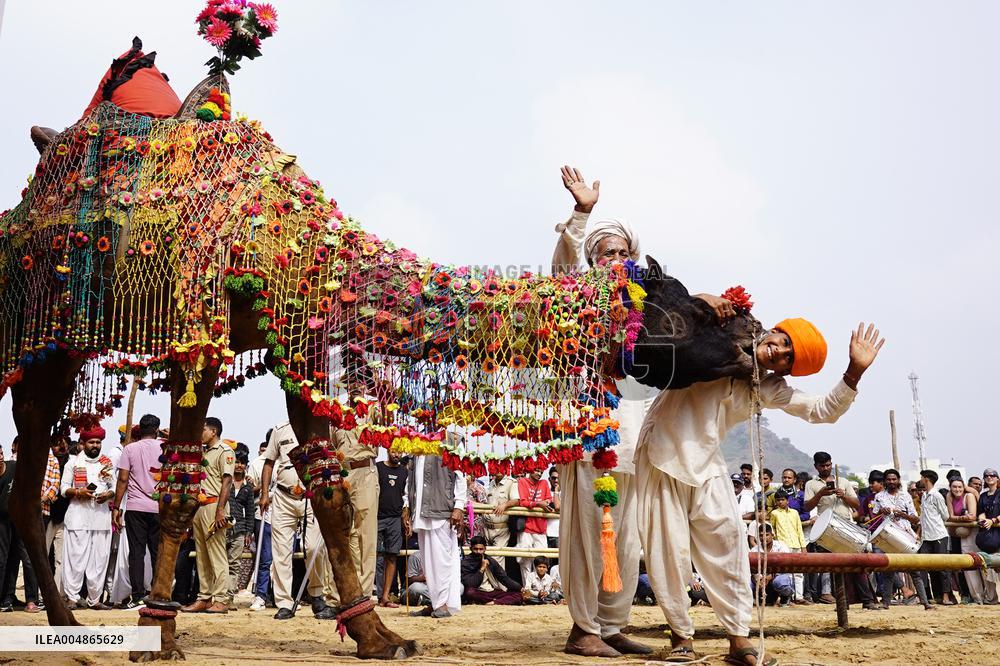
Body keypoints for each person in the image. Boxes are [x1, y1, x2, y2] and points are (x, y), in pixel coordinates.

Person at [636, 319, 884, 665]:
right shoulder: (715, 339)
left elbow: (822, 411)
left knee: (729, 545)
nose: (780, 351)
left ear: (787, 370)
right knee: (668, 551)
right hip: (660, 456)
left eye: (788, 357)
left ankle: (738, 640)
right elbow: (684, 320)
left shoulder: (766, 388)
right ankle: (681, 637)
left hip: (707, 465)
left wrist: (854, 371)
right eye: (781, 341)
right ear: (770, 331)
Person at [552, 167, 662, 657]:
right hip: (591, 434)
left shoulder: (648, 305)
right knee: (591, 537)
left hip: (638, 438)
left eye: (623, 253)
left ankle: (614, 624)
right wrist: (582, 212)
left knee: (629, 539)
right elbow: (561, 268)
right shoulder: (577, 296)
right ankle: (584, 628)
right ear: (593, 259)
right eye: (606, 253)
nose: (616, 260)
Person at [258, 422, 337, 619]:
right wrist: (264, 494)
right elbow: (269, 463)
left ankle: (317, 596)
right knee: (281, 551)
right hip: (284, 497)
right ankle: (284, 602)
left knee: (313, 548)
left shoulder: (319, 426)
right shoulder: (279, 428)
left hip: (312, 497)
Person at [404, 450, 466, 618]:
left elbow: (460, 476)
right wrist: (406, 505)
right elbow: (411, 478)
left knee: (442, 561)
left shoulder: (449, 441)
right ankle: (435, 603)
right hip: (421, 511)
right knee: (428, 562)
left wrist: (459, 506)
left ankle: (444, 605)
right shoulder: (416, 442)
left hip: (442, 510)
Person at [181, 417, 234, 614]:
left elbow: (227, 482)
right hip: (200, 506)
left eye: (203, 429)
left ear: (214, 431)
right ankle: (204, 596)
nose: (200, 433)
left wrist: (221, 510)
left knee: (217, 553)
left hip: (214, 506)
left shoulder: (225, 451)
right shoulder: (202, 452)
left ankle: (221, 598)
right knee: (202, 555)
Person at [60, 427, 115, 610]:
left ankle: (95, 600)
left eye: (98, 442)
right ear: (83, 443)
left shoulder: (106, 463)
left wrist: (108, 495)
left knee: (99, 561)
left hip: (100, 518)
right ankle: (72, 598)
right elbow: (63, 489)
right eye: (92, 442)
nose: (95, 445)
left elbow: (114, 487)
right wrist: (78, 491)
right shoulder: (72, 463)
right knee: (75, 560)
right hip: (78, 517)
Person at [112, 414, 163, 609]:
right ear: (156, 429)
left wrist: (116, 507)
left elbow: (123, 479)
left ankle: (138, 595)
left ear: (139, 430)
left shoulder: (130, 449)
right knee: (157, 551)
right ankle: (157, 591)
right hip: (158, 507)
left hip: (135, 506)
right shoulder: (164, 448)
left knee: (136, 552)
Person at [332, 426, 379, 602]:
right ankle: (336, 595)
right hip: (342, 473)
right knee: (339, 534)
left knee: (366, 536)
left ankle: (364, 594)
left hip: (365, 470)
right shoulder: (336, 410)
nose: (353, 395)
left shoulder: (373, 408)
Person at [915, 470, 957, 607]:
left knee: (942, 567)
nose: (920, 480)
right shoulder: (924, 496)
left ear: (926, 479)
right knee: (926, 565)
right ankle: (934, 595)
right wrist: (919, 531)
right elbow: (922, 517)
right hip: (926, 537)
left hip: (938, 535)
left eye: (922, 478)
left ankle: (946, 596)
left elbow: (945, 515)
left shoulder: (937, 496)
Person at [376, 450, 408, 608]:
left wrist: (405, 514)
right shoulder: (378, 468)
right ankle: (370, 594)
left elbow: (407, 495)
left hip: (395, 519)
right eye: (394, 451)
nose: (397, 454)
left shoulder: (405, 472)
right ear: (388, 451)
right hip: (376, 517)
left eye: (399, 452)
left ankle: (385, 597)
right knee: (374, 557)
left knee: (392, 556)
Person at [947, 476, 985, 604]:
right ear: (950, 488)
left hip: (973, 533)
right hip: (962, 535)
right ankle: (977, 597)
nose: (957, 489)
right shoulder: (949, 496)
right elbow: (950, 516)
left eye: (959, 487)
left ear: (964, 487)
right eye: (954, 487)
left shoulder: (969, 496)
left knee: (980, 563)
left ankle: (989, 597)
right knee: (968, 566)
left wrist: (957, 519)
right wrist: (963, 518)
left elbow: (972, 516)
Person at [225, 452, 254, 606]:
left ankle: (228, 598)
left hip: (240, 530)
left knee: (234, 565)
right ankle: (219, 597)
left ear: (245, 465)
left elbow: (250, 511)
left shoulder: (248, 487)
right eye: (236, 462)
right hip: (223, 528)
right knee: (221, 563)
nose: (239, 465)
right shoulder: (224, 482)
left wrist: (249, 532)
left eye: (242, 462)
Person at [247, 438, 272, 611]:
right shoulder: (257, 463)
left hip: (286, 514)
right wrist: (264, 489)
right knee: (264, 558)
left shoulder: (289, 461)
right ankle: (261, 595)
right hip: (262, 514)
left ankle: (282, 596)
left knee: (284, 559)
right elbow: (251, 490)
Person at [515, 469, 553, 584]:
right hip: (526, 527)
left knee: (542, 559)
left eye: (541, 471)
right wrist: (538, 504)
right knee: (525, 561)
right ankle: (527, 589)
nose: (539, 473)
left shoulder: (544, 483)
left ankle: (541, 589)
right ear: (530, 470)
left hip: (541, 528)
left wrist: (540, 503)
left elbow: (548, 500)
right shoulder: (522, 481)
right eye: (536, 470)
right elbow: (522, 502)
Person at [461, 535, 522, 605]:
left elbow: (504, 578)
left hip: (490, 591)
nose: (478, 552)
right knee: (470, 593)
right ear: (471, 549)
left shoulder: (490, 561)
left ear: (485, 549)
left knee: (519, 595)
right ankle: (497, 601)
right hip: (477, 591)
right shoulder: (466, 562)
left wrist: (520, 588)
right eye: (476, 549)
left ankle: (494, 602)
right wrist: (482, 569)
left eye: (481, 549)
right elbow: (471, 584)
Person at [769, 489, 806, 603]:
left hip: (796, 544)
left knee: (798, 572)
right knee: (786, 572)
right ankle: (787, 597)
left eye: (782, 500)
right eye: (778, 500)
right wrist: (776, 544)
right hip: (783, 545)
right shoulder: (774, 513)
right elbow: (772, 529)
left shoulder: (794, 513)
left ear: (787, 501)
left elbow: (799, 529)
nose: (780, 502)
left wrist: (803, 546)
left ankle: (799, 597)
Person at [45, 435, 71, 601]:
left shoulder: (72, 464)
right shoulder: (47, 464)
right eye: (56, 445)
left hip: (65, 518)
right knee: (44, 555)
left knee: (61, 559)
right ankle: (43, 594)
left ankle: (58, 594)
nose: (60, 448)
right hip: (47, 516)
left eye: (63, 444)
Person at [751, 525, 794, 607]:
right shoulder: (754, 550)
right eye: (761, 535)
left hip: (778, 576)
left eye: (766, 535)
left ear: (772, 535)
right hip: (762, 580)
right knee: (747, 584)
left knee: (780, 582)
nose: (763, 538)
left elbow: (785, 567)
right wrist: (759, 579)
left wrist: (769, 577)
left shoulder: (781, 546)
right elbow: (753, 570)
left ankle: (786, 597)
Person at [975, 468, 1000, 604]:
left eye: (992, 475)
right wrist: (983, 519)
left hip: (997, 532)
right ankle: (991, 598)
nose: (989, 477)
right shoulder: (983, 496)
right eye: (987, 475)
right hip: (987, 535)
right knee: (987, 567)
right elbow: (981, 512)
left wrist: (994, 520)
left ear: (997, 478)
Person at [483, 473, 518, 568]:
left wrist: (505, 505)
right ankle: (490, 583)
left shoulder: (511, 482)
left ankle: (498, 583)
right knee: (485, 559)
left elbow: (517, 500)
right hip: (486, 528)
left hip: (501, 529)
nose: (498, 470)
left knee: (496, 561)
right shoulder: (491, 483)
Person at [546, 468, 561, 549]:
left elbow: (557, 507)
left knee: (560, 561)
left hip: (560, 535)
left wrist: (556, 491)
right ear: (549, 479)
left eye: (558, 478)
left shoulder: (565, 493)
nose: (556, 480)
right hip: (546, 534)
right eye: (553, 478)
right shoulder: (545, 492)